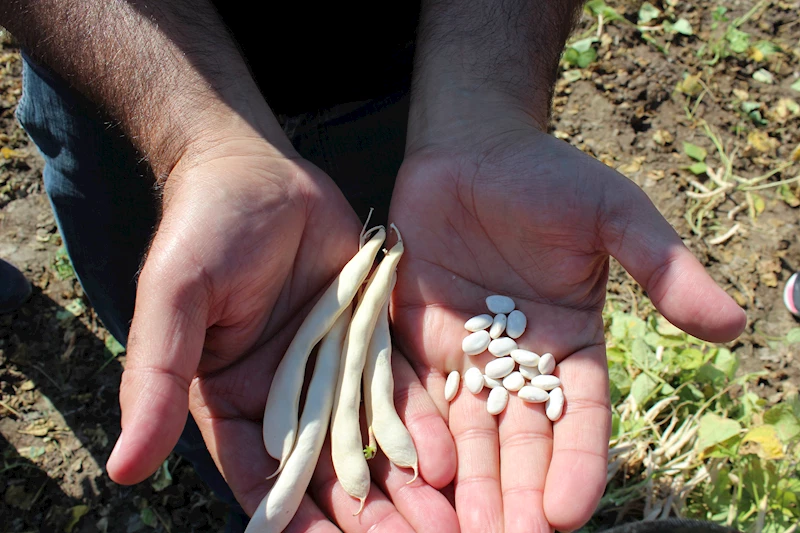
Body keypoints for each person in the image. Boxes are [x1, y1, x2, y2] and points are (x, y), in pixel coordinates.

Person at [0, 1, 747, 532]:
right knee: (228, 380)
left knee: (320, 378)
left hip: (422, 75)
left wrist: (485, 105)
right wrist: (193, 134)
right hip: (124, 86)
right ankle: (248, 502)